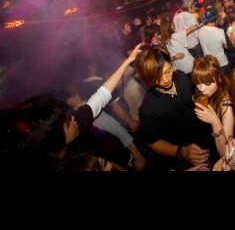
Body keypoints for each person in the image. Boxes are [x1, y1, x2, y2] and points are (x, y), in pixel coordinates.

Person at [0, 43, 144, 171]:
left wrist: (128, 61)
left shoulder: (77, 121)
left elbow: (101, 97)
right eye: (67, 122)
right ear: (56, 141)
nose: (73, 118)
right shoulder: (64, 164)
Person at [135, 45, 210, 171]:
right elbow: (153, 142)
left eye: (168, 71)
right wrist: (182, 151)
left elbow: (196, 99)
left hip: (206, 139)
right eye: (157, 76)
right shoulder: (147, 109)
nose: (165, 80)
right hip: (186, 159)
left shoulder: (181, 76)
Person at [191, 55, 235, 159]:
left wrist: (215, 123)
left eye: (207, 83)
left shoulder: (227, 107)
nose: (202, 89)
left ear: (219, 79)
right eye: (197, 83)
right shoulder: (209, 94)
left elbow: (227, 155)